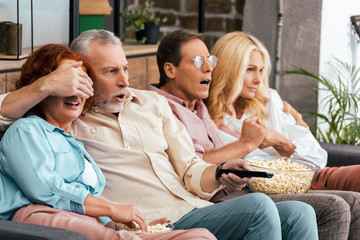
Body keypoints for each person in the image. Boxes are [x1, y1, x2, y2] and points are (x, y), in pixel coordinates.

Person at [0, 30, 319, 240]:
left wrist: (223, 172)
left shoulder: (151, 103)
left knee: (300, 213)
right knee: (260, 207)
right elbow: (10, 114)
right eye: (111, 72)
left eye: (125, 68)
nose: (124, 80)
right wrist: (50, 85)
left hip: (194, 207)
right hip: (152, 222)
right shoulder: (70, 117)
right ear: (79, 77)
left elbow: (193, 171)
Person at [152, 29, 360, 240]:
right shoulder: (164, 107)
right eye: (250, 69)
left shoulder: (204, 105)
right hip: (247, 190)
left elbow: (316, 159)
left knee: (338, 204)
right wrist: (247, 144)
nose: (208, 68)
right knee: (335, 206)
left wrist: (282, 139)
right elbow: (195, 167)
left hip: (295, 177)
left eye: (210, 61)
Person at [0, 43, 216, 240]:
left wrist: (120, 225)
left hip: (87, 221)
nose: (75, 91)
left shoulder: (74, 143)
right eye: (66, 83)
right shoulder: (26, 129)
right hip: (37, 217)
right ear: (45, 86)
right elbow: (46, 189)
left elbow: (89, 202)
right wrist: (111, 209)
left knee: (200, 236)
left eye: (82, 83)